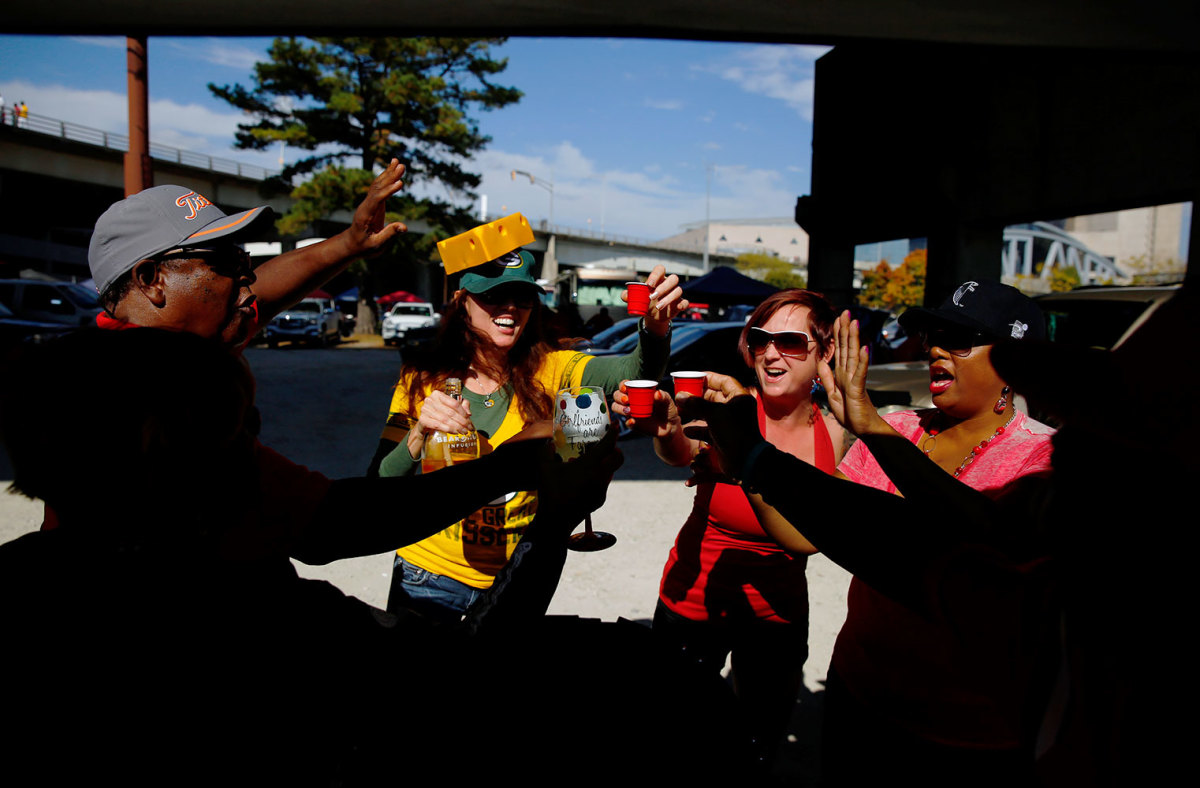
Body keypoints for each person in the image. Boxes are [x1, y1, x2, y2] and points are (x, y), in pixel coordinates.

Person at [688, 280, 1057, 785]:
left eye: (961, 339)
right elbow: (808, 536)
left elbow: (983, 538)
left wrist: (862, 429)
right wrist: (745, 465)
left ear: (1017, 364)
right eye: (935, 335)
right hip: (860, 693)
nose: (935, 349)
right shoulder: (901, 426)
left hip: (970, 734)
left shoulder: (1043, 459)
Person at [368, 247, 688, 620]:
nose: (509, 308)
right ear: (462, 301)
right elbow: (379, 487)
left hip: (519, 578)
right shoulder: (420, 378)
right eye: (493, 296)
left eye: (522, 297)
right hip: (427, 576)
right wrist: (419, 433)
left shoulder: (556, 368)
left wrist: (655, 327)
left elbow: (634, 373)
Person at [612, 289, 844, 767]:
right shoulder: (729, 406)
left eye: (792, 342)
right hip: (693, 597)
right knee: (676, 732)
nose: (772, 353)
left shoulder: (838, 431)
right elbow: (682, 454)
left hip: (777, 612)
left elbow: (820, 528)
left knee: (760, 738)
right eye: (761, 339)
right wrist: (667, 430)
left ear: (826, 351)